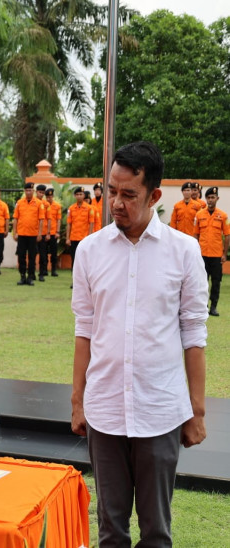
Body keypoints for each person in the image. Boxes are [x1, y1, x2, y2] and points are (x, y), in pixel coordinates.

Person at [71, 141, 208, 547]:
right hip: (105, 409)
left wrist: (196, 411)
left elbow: (194, 333)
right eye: (112, 191)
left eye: (129, 194)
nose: (116, 203)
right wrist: (78, 400)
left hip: (160, 410)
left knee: (156, 533)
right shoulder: (89, 251)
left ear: (154, 196)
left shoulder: (184, 251)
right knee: (111, 530)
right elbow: (84, 329)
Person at [194, 186, 230, 316]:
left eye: (213, 197)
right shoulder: (199, 215)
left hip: (216, 255)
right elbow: (195, 235)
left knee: (216, 282)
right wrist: (195, 252)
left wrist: (224, 254)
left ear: (217, 198)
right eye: (208, 197)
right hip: (202, 254)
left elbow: (227, 236)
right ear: (206, 199)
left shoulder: (223, 216)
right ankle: (203, 306)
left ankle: (213, 307)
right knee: (202, 282)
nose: (210, 200)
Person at [12, 182, 45, 285]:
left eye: (30, 190)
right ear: (24, 191)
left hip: (33, 234)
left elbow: (41, 220)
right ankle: (22, 276)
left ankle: (30, 277)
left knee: (32, 257)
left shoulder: (39, 203)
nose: (28, 192)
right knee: (21, 256)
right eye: (26, 190)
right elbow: (15, 219)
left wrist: (39, 234)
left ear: (33, 191)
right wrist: (15, 232)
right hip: (22, 234)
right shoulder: (19, 203)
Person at [66, 187, 95, 280]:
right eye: (77, 194)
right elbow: (69, 224)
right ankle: (75, 280)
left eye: (81, 194)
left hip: (84, 239)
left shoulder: (89, 208)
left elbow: (91, 223)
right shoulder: (71, 208)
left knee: (85, 261)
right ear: (75, 196)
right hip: (74, 238)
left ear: (84, 195)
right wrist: (67, 238)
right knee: (74, 260)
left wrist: (90, 238)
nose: (79, 196)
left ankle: (85, 280)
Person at [44, 187, 61, 277]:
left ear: (53, 196)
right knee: (44, 252)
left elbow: (58, 220)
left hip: (53, 233)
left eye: (50, 197)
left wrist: (58, 231)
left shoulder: (57, 206)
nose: (48, 199)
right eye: (47, 197)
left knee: (54, 253)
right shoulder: (43, 205)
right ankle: (45, 269)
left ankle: (53, 269)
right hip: (45, 232)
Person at [35, 184, 49, 281]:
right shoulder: (33, 202)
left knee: (43, 254)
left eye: (43, 193)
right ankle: (31, 273)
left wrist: (48, 233)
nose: (41, 194)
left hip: (43, 232)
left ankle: (42, 273)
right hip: (32, 232)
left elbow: (49, 219)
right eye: (40, 192)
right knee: (32, 254)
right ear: (36, 192)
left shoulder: (46, 204)